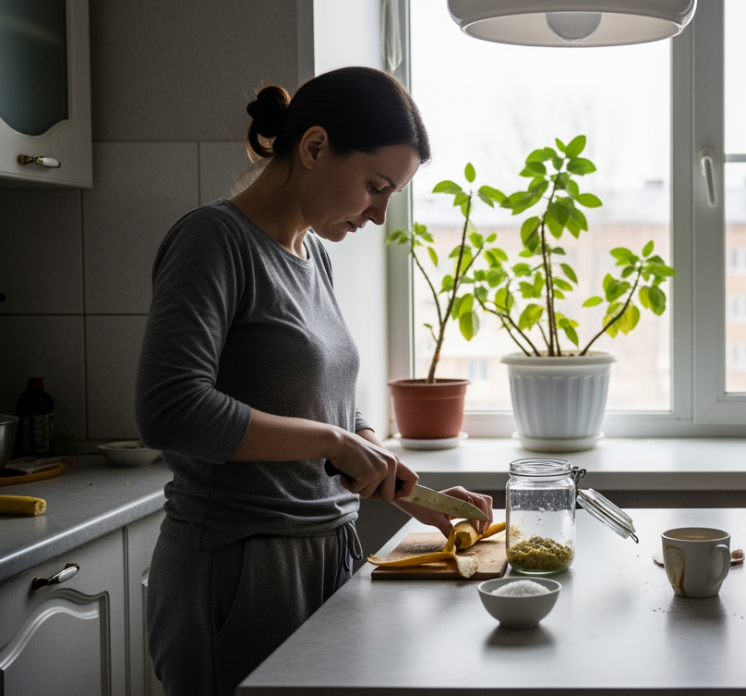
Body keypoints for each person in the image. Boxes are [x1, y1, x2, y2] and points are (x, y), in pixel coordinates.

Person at [134, 67, 492, 696]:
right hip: (239, 567)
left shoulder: (313, 255)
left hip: (328, 550)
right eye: (375, 188)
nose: (379, 215)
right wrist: (331, 441)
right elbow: (170, 409)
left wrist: (392, 474)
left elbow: (327, 407)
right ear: (315, 147)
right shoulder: (212, 242)